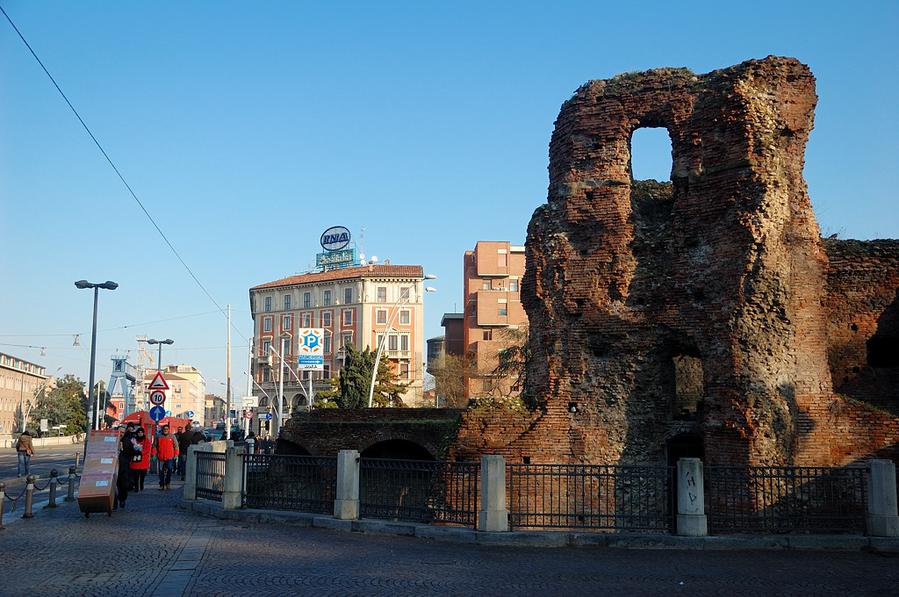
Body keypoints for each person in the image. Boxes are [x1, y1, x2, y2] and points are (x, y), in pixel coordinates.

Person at [115, 424, 137, 510]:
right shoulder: (111, 439)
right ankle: (113, 502)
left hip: (123, 467)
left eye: (123, 432)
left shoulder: (127, 441)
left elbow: (133, 452)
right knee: (112, 486)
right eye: (119, 432)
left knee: (123, 485)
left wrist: (136, 449)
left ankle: (122, 499)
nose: (121, 434)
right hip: (112, 467)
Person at [152, 424, 179, 490]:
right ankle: (161, 484)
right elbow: (154, 446)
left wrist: (176, 455)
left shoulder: (172, 436)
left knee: (169, 470)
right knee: (161, 472)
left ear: (169, 430)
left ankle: (167, 483)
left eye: (167, 429)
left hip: (170, 457)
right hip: (161, 457)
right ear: (162, 430)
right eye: (164, 429)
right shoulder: (158, 436)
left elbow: (176, 446)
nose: (165, 430)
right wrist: (154, 454)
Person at [129, 427, 152, 492]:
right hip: (136, 460)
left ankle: (141, 484)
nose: (140, 433)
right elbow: (131, 447)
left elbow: (147, 449)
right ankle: (136, 487)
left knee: (142, 475)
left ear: (143, 433)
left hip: (143, 460)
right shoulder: (134, 440)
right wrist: (134, 451)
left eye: (141, 432)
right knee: (136, 475)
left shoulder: (146, 440)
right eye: (139, 432)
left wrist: (141, 452)